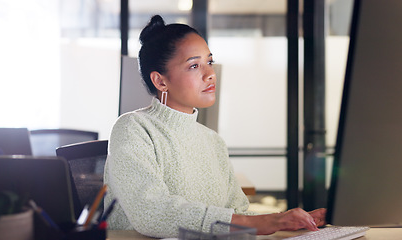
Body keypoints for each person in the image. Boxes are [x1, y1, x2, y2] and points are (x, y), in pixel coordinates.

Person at [103, 15, 326, 238]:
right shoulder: (133, 128)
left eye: (209, 62)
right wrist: (267, 221)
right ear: (161, 81)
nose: (210, 74)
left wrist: (287, 221)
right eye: (194, 65)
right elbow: (152, 213)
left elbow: (238, 213)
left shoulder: (213, 141)